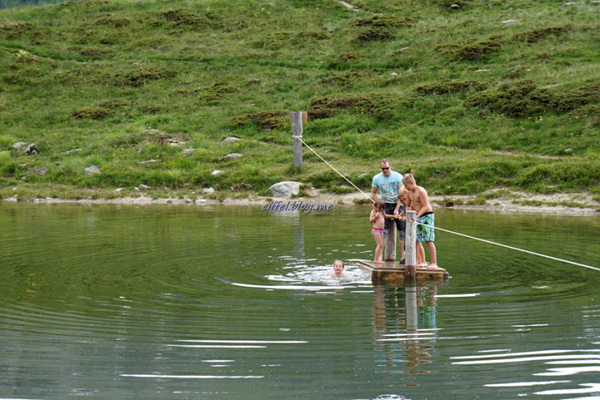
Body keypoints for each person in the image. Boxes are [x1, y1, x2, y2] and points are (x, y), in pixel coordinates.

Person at [402, 173, 438, 268]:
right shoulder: (409, 193)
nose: (405, 188)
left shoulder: (421, 191)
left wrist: (417, 217)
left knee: (428, 240)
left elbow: (426, 206)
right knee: (416, 239)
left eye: (406, 185)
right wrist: (407, 215)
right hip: (415, 217)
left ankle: (434, 263)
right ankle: (418, 261)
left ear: (411, 182)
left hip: (426, 216)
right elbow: (408, 205)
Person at [371, 159, 404, 244]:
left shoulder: (398, 177)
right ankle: (381, 250)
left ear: (390, 167)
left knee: (402, 229)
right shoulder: (376, 178)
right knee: (383, 227)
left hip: (398, 203)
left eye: (387, 168)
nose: (385, 170)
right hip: (385, 204)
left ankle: (404, 254)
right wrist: (379, 205)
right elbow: (373, 192)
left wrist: (397, 209)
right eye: (383, 168)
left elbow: (402, 194)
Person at [393, 187, 408, 263]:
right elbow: (404, 212)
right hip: (406, 224)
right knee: (406, 242)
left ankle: (419, 260)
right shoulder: (405, 205)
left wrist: (405, 218)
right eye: (401, 201)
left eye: (404, 200)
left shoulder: (411, 204)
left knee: (414, 243)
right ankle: (406, 257)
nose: (403, 202)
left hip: (410, 225)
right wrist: (399, 215)